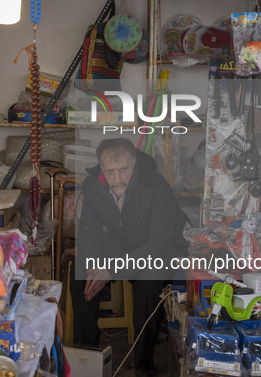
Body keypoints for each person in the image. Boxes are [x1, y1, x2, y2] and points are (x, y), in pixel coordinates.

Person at [70, 138, 189, 376]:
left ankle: (144, 363)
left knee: (149, 277)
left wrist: (112, 270)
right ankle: (87, 357)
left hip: (164, 250)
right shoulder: (94, 186)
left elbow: (157, 245)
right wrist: (94, 266)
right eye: (109, 171)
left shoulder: (156, 187)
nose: (116, 179)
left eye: (123, 170)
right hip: (126, 243)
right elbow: (89, 235)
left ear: (134, 163)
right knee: (81, 270)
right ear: (102, 168)